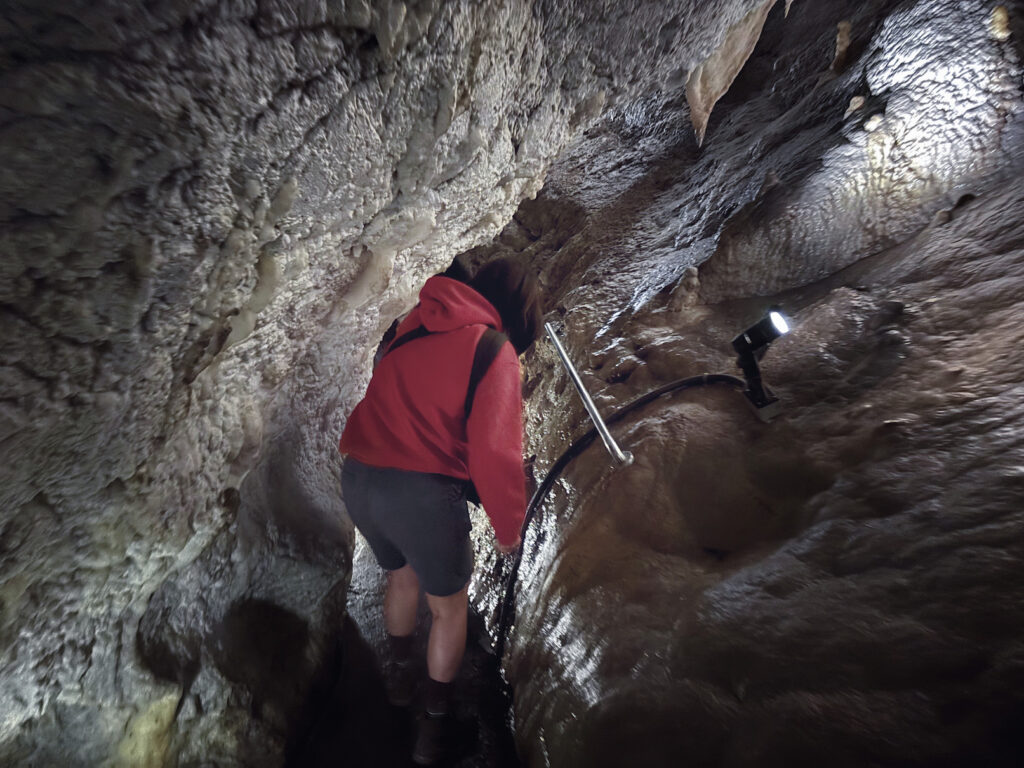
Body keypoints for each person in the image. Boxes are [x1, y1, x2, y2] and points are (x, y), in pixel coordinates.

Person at [338, 257, 542, 765]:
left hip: (360, 477)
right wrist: (508, 527)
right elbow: (496, 455)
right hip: (420, 495)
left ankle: (400, 676)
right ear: (517, 315)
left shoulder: (415, 322)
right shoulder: (493, 350)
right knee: (448, 607)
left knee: (401, 579)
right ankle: (434, 729)